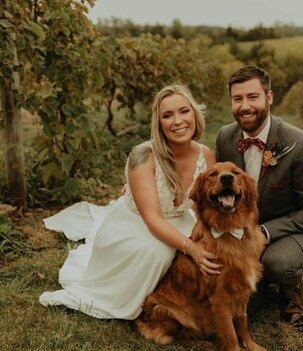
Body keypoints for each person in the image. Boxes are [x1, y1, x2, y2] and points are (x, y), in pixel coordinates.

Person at [39, 84, 220, 319]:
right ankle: (135, 301)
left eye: (184, 111)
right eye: (168, 115)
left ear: (194, 114)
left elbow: (207, 206)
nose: (177, 121)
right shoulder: (143, 156)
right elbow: (152, 218)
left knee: (207, 246)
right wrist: (190, 247)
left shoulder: (206, 156)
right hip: (136, 224)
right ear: (159, 123)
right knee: (160, 252)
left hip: (180, 219)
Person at [216, 65, 303, 324]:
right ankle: (261, 282)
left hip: (295, 228)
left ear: (269, 98)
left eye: (252, 97)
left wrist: (264, 233)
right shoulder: (225, 137)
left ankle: (290, 289)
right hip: (245, 230)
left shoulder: (302, 145)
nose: (245, 106)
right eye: (238, 99)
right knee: (240, 313)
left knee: (279, 262)